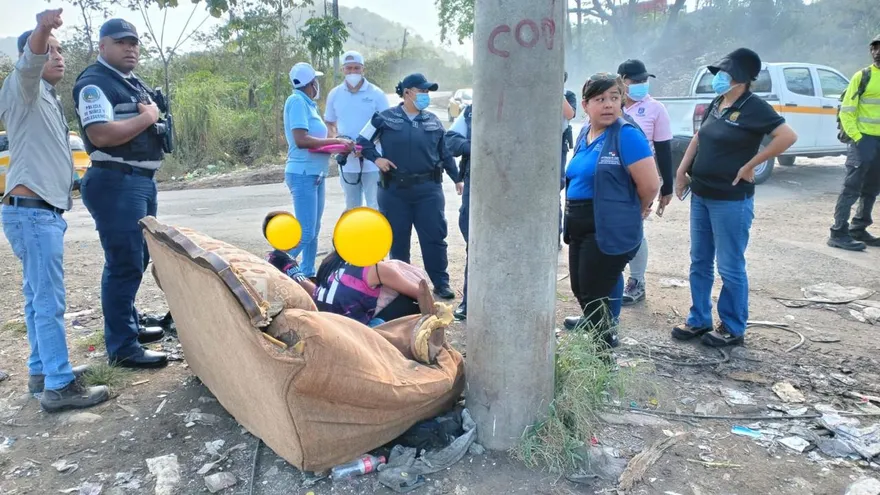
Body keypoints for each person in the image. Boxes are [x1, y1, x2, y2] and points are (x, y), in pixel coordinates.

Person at [1, 9, 109, 411]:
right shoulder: (23, 85)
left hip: (35, 213)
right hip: (32, 213)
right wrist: (44, 28)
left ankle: (43, 371)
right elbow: (30, 61)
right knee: (48, 301)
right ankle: (60, 386)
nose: (58, 57)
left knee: (35, 299)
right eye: (51, 51)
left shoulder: (44, 97)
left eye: (61, 51)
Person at [674, 48, 797, 347]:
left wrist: (751, 164)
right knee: (699, 260)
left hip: (730, 199)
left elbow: (787, 137)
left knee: (729, 265)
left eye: (724, 74)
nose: (718, 78)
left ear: (740, 78)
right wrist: (681, 171)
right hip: (701, 193)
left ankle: (732, 326)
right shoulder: (719, 101)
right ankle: (699, 319)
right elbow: (699, 137)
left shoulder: (755, 107)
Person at [73, 18, 172, 369]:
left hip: (138, 180)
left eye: (134, 42)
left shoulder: (130, 83)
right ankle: (123, 347)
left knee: (137, 257)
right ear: (103, 46)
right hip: (116, 180)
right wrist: (148, 119)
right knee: (124, 261)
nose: (131, 48)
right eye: (121, 42)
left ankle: (128, 325)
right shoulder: (94, 84)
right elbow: (100, 134)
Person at [561, 73, 660, 348]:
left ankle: (601, 353)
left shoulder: (626, 135)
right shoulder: (586, 133)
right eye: (600, 99)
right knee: (582, 289)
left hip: (608, 226)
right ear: (586, 105)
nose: (608, 105)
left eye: (614, 98)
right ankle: (598, 331)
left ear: (622, 101)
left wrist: (634, 210)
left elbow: (650, 185)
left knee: (595, 291)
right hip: (580, 225)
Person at [357, 73, 463, 301]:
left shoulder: (434, 121)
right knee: (397, 240)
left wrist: (457, 178)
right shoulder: (383, 118)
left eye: (427, 92)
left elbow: (444, 154)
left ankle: (440, 283)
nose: (425, 95)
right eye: (421, 91)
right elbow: (362, 142)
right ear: (407, 92)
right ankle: (402, 286)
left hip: (428, 190)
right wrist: (377, 159)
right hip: (394, 191)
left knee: (434, 237)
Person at [262, 213, 425, 326]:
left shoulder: (330, 261)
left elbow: (319, 291)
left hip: (326, 320)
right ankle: (379, 330)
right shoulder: (376, 268)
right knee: (410, 301)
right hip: (352, 329)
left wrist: (294, 273)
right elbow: (421, 293)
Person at [283, 62, 355, 277]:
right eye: (316, 81)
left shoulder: (308, 104)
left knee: (313, 231)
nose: (317, 85)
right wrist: (334, 141)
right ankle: (275, 265)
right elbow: (302, 140)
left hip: (315, 173)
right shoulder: (296, 101)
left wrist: (338, 144)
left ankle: (307, 272)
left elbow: (316, 141)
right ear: (310, 83)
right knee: (305, 232)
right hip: (303, 173)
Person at [617, 59, 675, 305]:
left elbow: (663, 150)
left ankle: (637, 281)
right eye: (636, 81)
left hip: (641, 180)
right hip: (613, 178)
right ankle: (613, 279)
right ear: (622, 81)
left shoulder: (655, 109)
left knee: (635, 229)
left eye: (644, 81)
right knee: (612, 229)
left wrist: (667, 188)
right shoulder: (610, 104)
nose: (641, 85)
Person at [828, 34, 880, 251]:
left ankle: (859, 228)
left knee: (872, 188)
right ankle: (838, 232)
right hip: (862, 140)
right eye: (874, 48)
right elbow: (847, 111)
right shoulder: (863, 76)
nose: (877, 52)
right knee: (851, 187)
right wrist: (858, 139)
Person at [324, 51, 390, 210]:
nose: (353, 72)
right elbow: (330, 123)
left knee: (375, 206)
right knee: (352, 207)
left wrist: (366, 148)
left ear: (363, 69)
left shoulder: (377, 94)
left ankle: (377, 235)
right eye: (349, 68)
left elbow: (387, 126)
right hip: (347, 164)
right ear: (342, 70)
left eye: (356, 68)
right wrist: (338, 142)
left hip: (373, 163)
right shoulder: (335, 94)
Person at [445, 103, 473, 320]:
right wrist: (475, 146)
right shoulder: (472, 110)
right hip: (477, 189)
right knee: (474, 246)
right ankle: (470, 302)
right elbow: (451, 140)